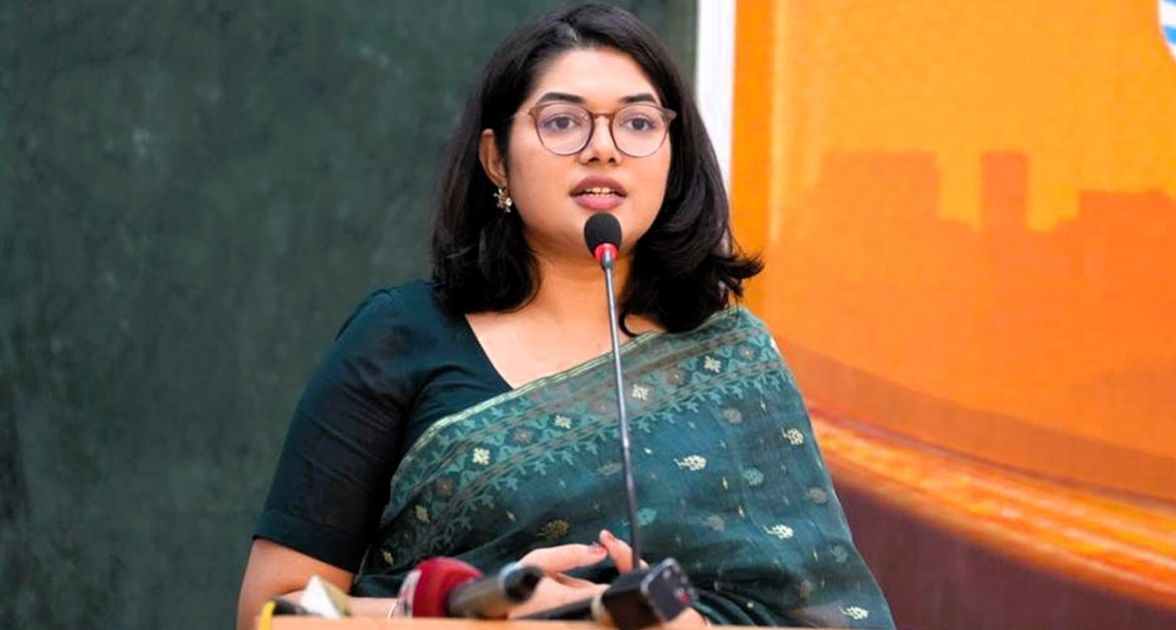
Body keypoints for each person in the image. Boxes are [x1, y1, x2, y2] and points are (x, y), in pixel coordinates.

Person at [236, 4, 894, 628]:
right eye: (562, 122)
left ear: (674, 156)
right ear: (497, 159)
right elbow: (271, 612)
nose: (603, 148)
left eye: (638, 123)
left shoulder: (732, 360)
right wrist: (469, 609)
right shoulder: (399, 337)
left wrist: (683, 622)